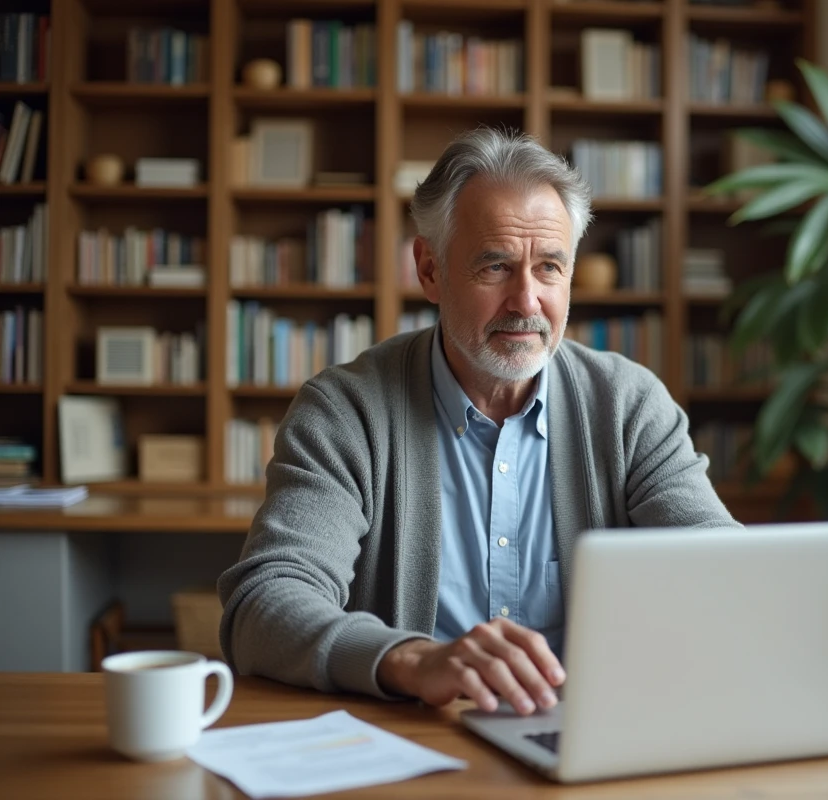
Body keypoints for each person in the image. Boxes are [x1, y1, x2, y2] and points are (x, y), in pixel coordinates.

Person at [217, 127, 738, 718]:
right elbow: (264, 603)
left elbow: (719, 565)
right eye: (495, 267)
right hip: (413, 742)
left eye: (549, 268)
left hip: (588, 744)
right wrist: (412, 661)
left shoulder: (629, 405)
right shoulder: (345, 411)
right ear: (430, 269)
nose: (526, 301)